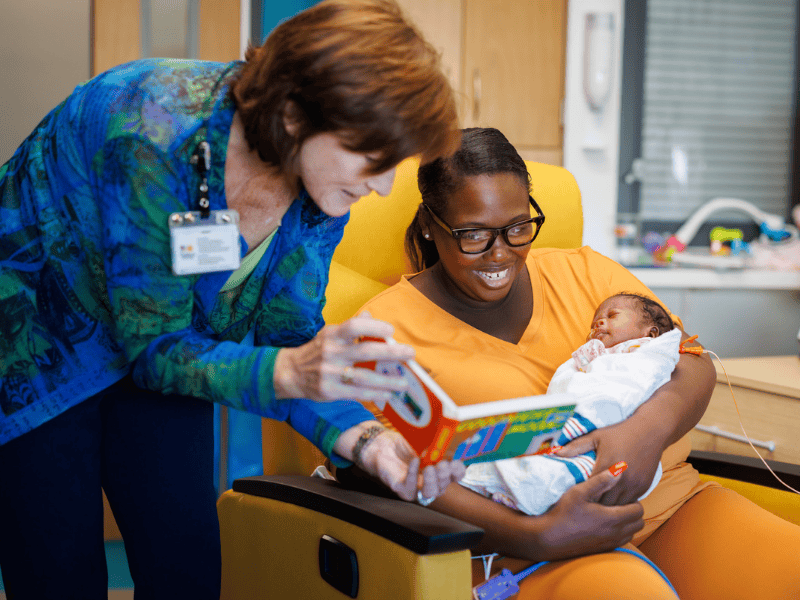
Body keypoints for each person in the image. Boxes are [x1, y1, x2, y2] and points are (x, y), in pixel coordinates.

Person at [0, 1, 466, 598]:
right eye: (373, 160)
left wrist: (374, 445)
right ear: (296, 114)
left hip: (169, 347)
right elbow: (163, 349)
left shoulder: (321, 193)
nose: (381, 188)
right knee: (59, 575)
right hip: (39, 342)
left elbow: (288, 343)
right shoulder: (151, 128)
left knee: (187, 564)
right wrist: (292, 370)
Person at [350, 127, 800, 598]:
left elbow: (690, 360)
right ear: (429, 224)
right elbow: (371, 467)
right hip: (528, 553)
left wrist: (643, 436)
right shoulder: (383, 329)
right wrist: (532, 535)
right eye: (474, 235)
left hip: (669, 508)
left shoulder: (585, 272)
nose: (501, 253)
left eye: (518, 227)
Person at [460, 292, 683, 516]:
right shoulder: (595, 356)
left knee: (558, 464)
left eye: (612, 315)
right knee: (535, 454)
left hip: (608, 428)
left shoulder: (644, 353)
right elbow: (573, 383)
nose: (599, 322)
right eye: (595, 322)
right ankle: (503, 486)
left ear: (651, 334)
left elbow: (629, 383)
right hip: (580, 425)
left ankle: (519, 492)